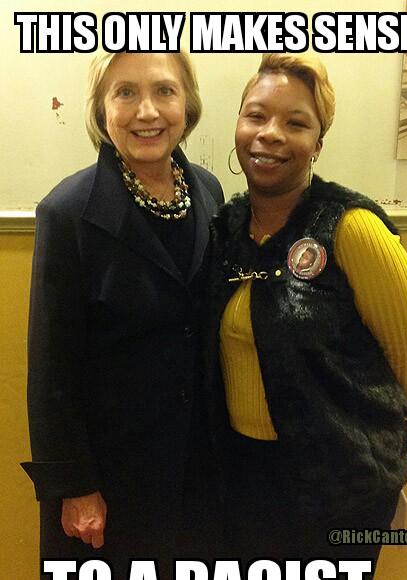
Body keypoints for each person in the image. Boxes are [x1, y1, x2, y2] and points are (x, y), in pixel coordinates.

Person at [206, 53, 407, 577]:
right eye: (256, 116)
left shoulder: (351, 227)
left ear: (318, 143)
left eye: (295, 122)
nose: (270, 134)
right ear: (238, 126)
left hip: (341, 487)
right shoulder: (226, 228)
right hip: (246, 478)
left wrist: (368, 442)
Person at [22, 50, 223, 579]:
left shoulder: (208, 191)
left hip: (196, 470)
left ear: (187, 103)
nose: (147, 111)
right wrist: (75, 487)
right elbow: (51, 368)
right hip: (110, 483)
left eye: (164, 90)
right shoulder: (67, 212)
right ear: (101, 109)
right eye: (126, 92)